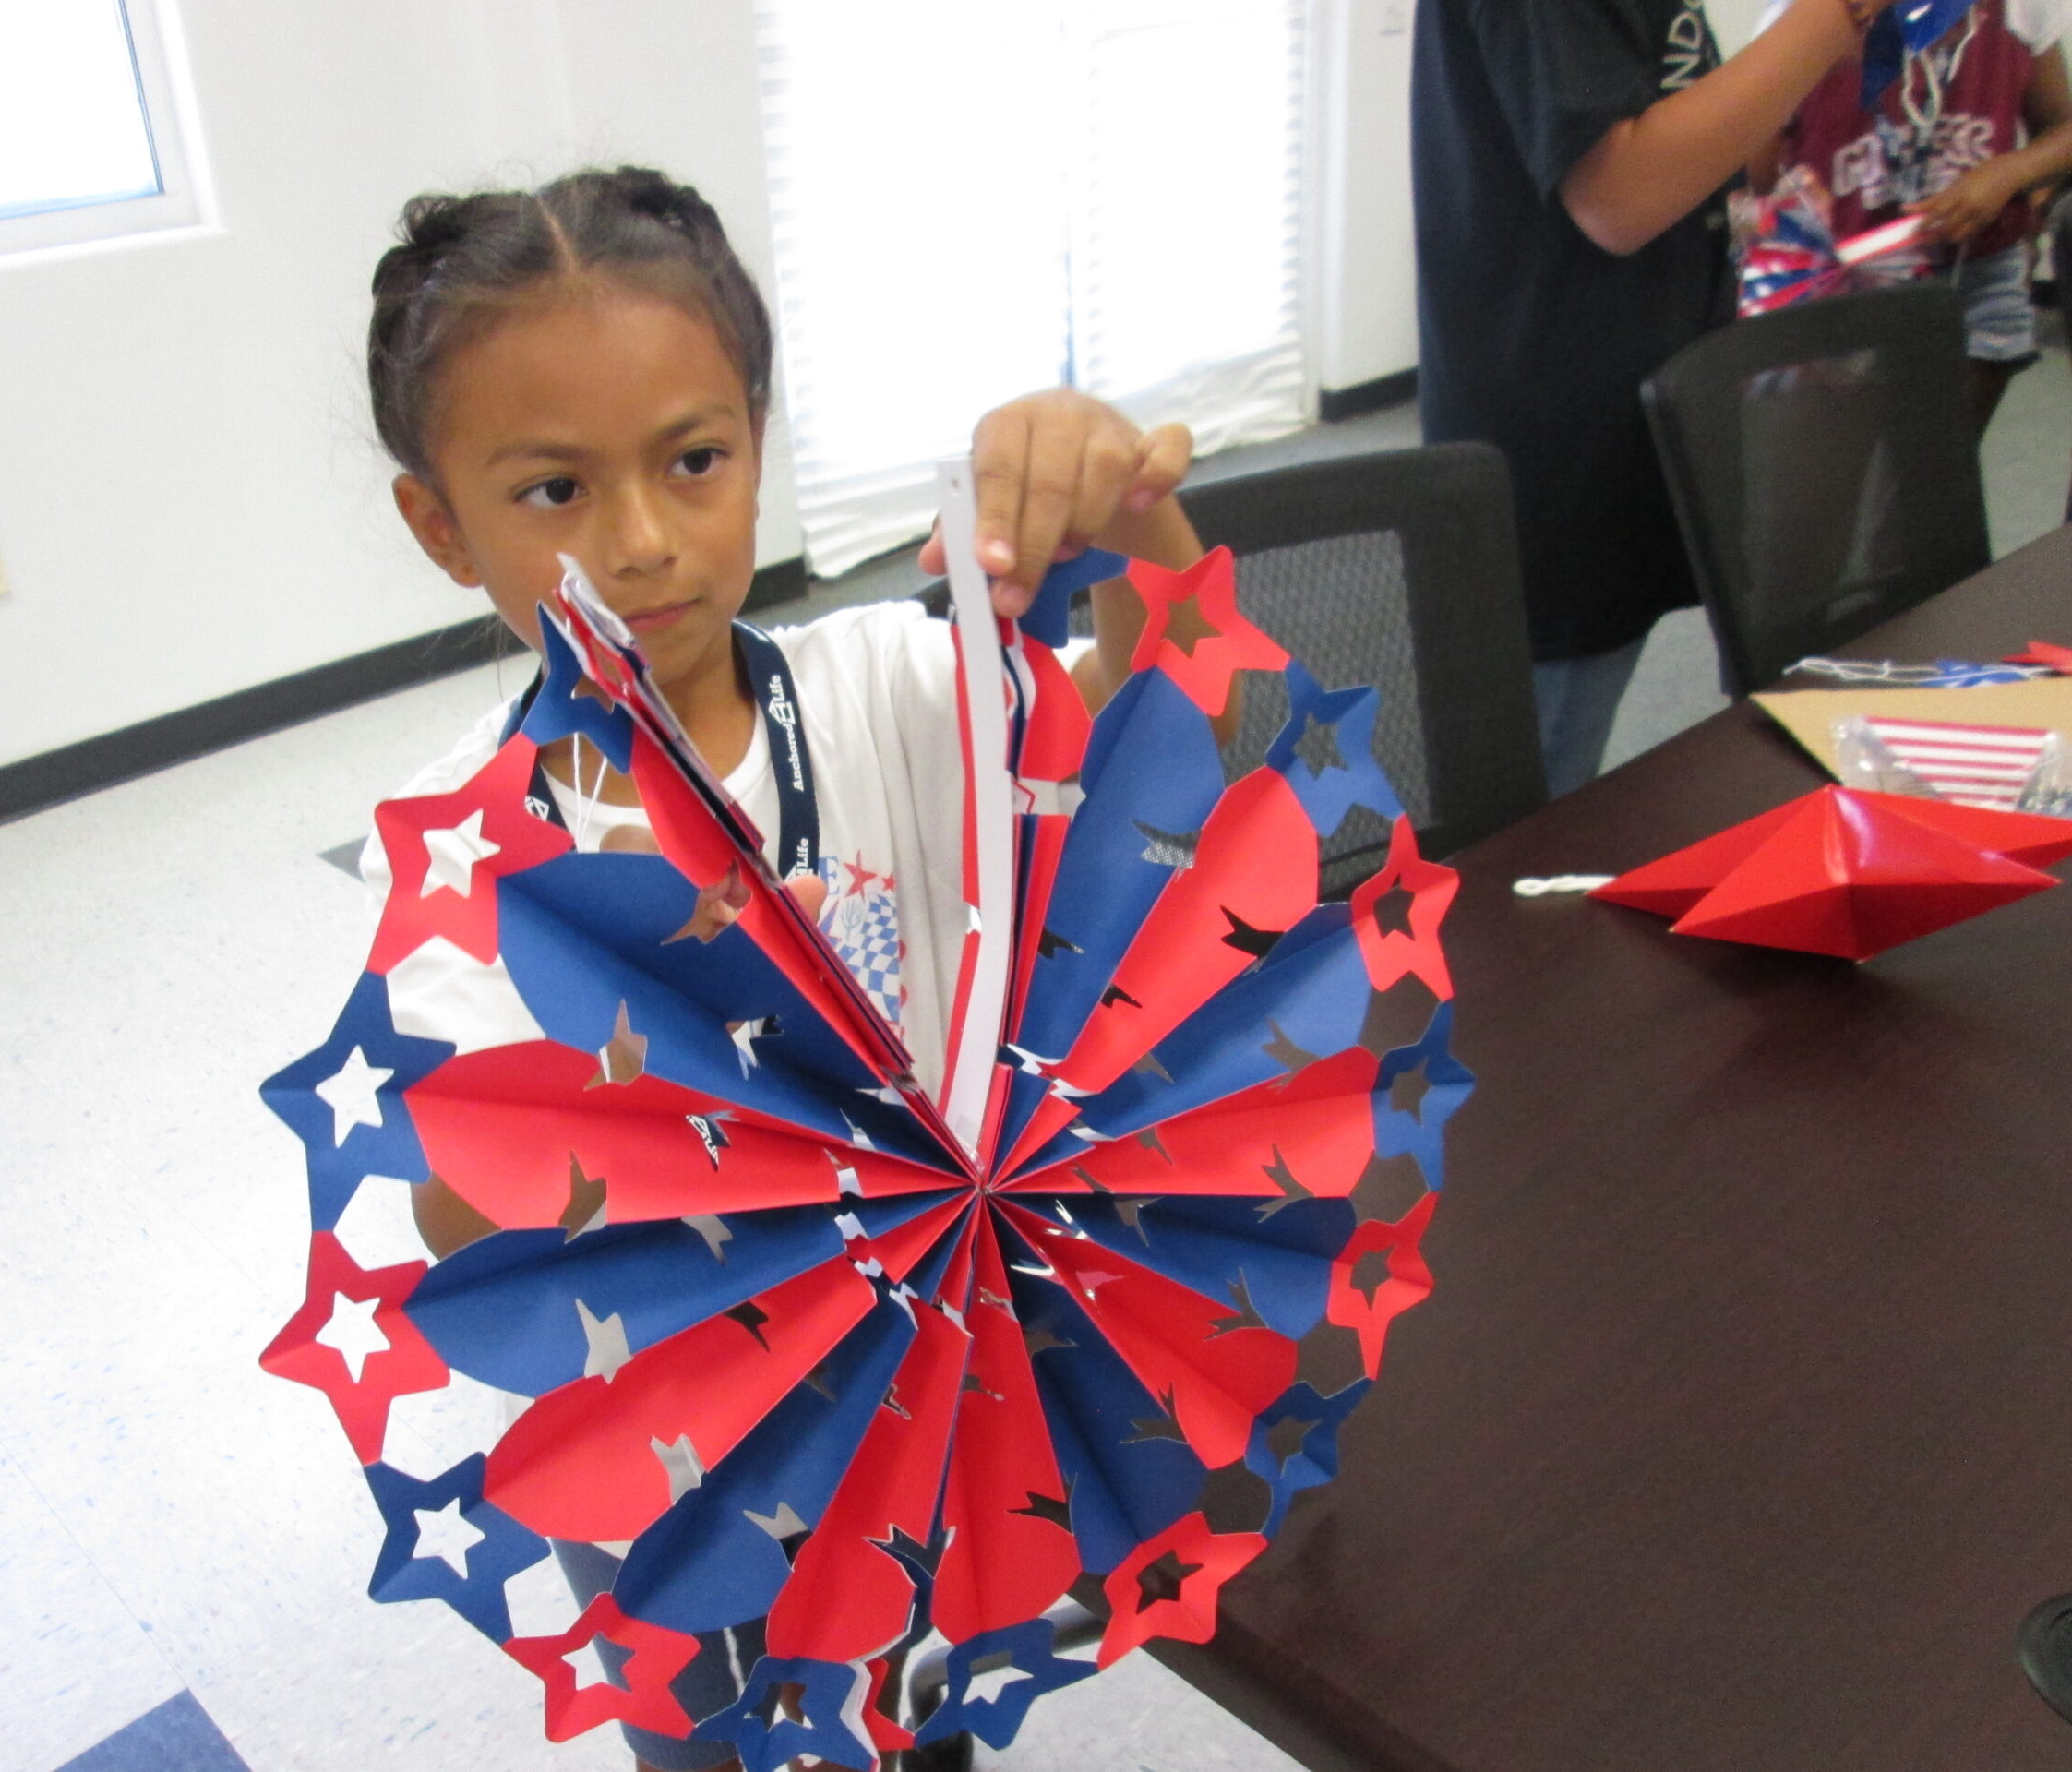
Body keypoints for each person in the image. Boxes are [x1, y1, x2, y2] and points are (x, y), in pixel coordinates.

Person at [354, 165, 1210, 1772]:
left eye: (694, 461)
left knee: (920, 1700)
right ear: (441, 526)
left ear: (757, 442)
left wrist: (1127, 511)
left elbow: (1172, 741)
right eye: (554, 490)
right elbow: (457, 1214)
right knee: (723, 1741)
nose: (640, 543)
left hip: (926, 1380)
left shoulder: (887, 683)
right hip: (678, 1458)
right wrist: (655, 1051)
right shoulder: (470, 851)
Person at [1412, 0, 1910, 796]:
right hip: (1555, 437)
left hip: (1631, 401)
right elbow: (1620, 196)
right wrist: (1822, 22)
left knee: (1574, 744)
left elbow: (1672, 134)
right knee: (1528, 801)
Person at [1755, 0, 2072, 437]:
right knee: (1849, 453)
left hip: (1979, 277)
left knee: (1943, 454)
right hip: (1848, 286)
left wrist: (2011, 174)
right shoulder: (1796, 19)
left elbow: (2061, 130)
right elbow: (1757, 177)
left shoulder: (2022, 8)